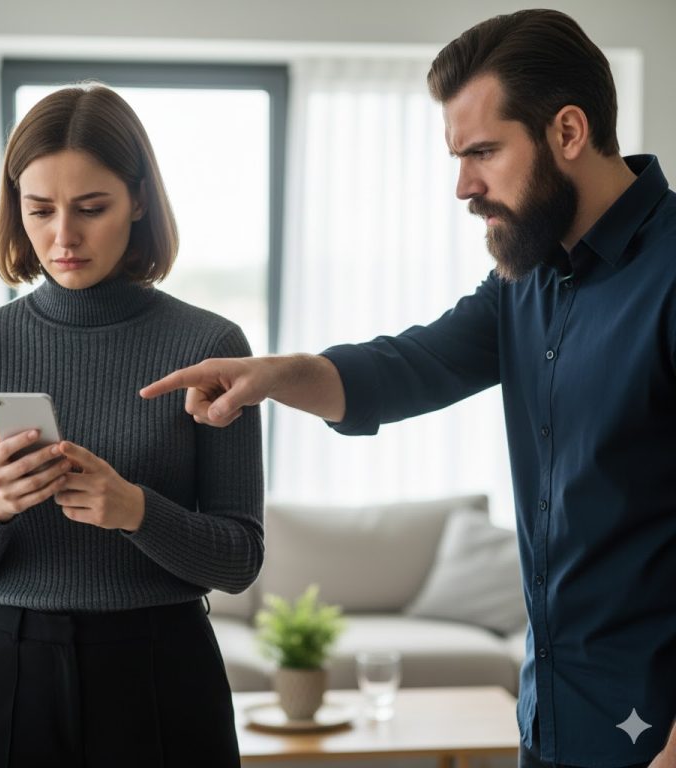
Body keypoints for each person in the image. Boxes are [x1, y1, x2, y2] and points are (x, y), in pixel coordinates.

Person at [140, 10, 676, 768]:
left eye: (484, 152)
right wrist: (270, 377)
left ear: (567, 132)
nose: (464, 186)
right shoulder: (525, 282)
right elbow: (410, 366)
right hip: (554, 720)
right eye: (458, 156)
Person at [0, 84, 263, 768]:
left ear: (138, 202)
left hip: (164, 669)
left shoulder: (211, 343)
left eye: (91, 208)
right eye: (39, 210)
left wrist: (135, 510)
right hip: (11, 670)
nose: (62, 237)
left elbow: (240, 560)